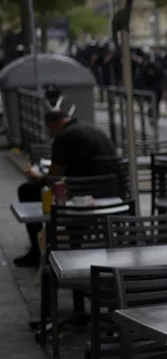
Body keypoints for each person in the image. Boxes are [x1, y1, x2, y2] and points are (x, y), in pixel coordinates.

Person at [14, 109, 117, 266]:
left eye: (50, 130)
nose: (51, 134)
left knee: (27, 190)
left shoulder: (64, 137)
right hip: (111, 190)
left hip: (82, 194)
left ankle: (36, 250)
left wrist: (38, 177)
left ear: (54, 124)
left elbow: (53, 178)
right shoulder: (91, 128)